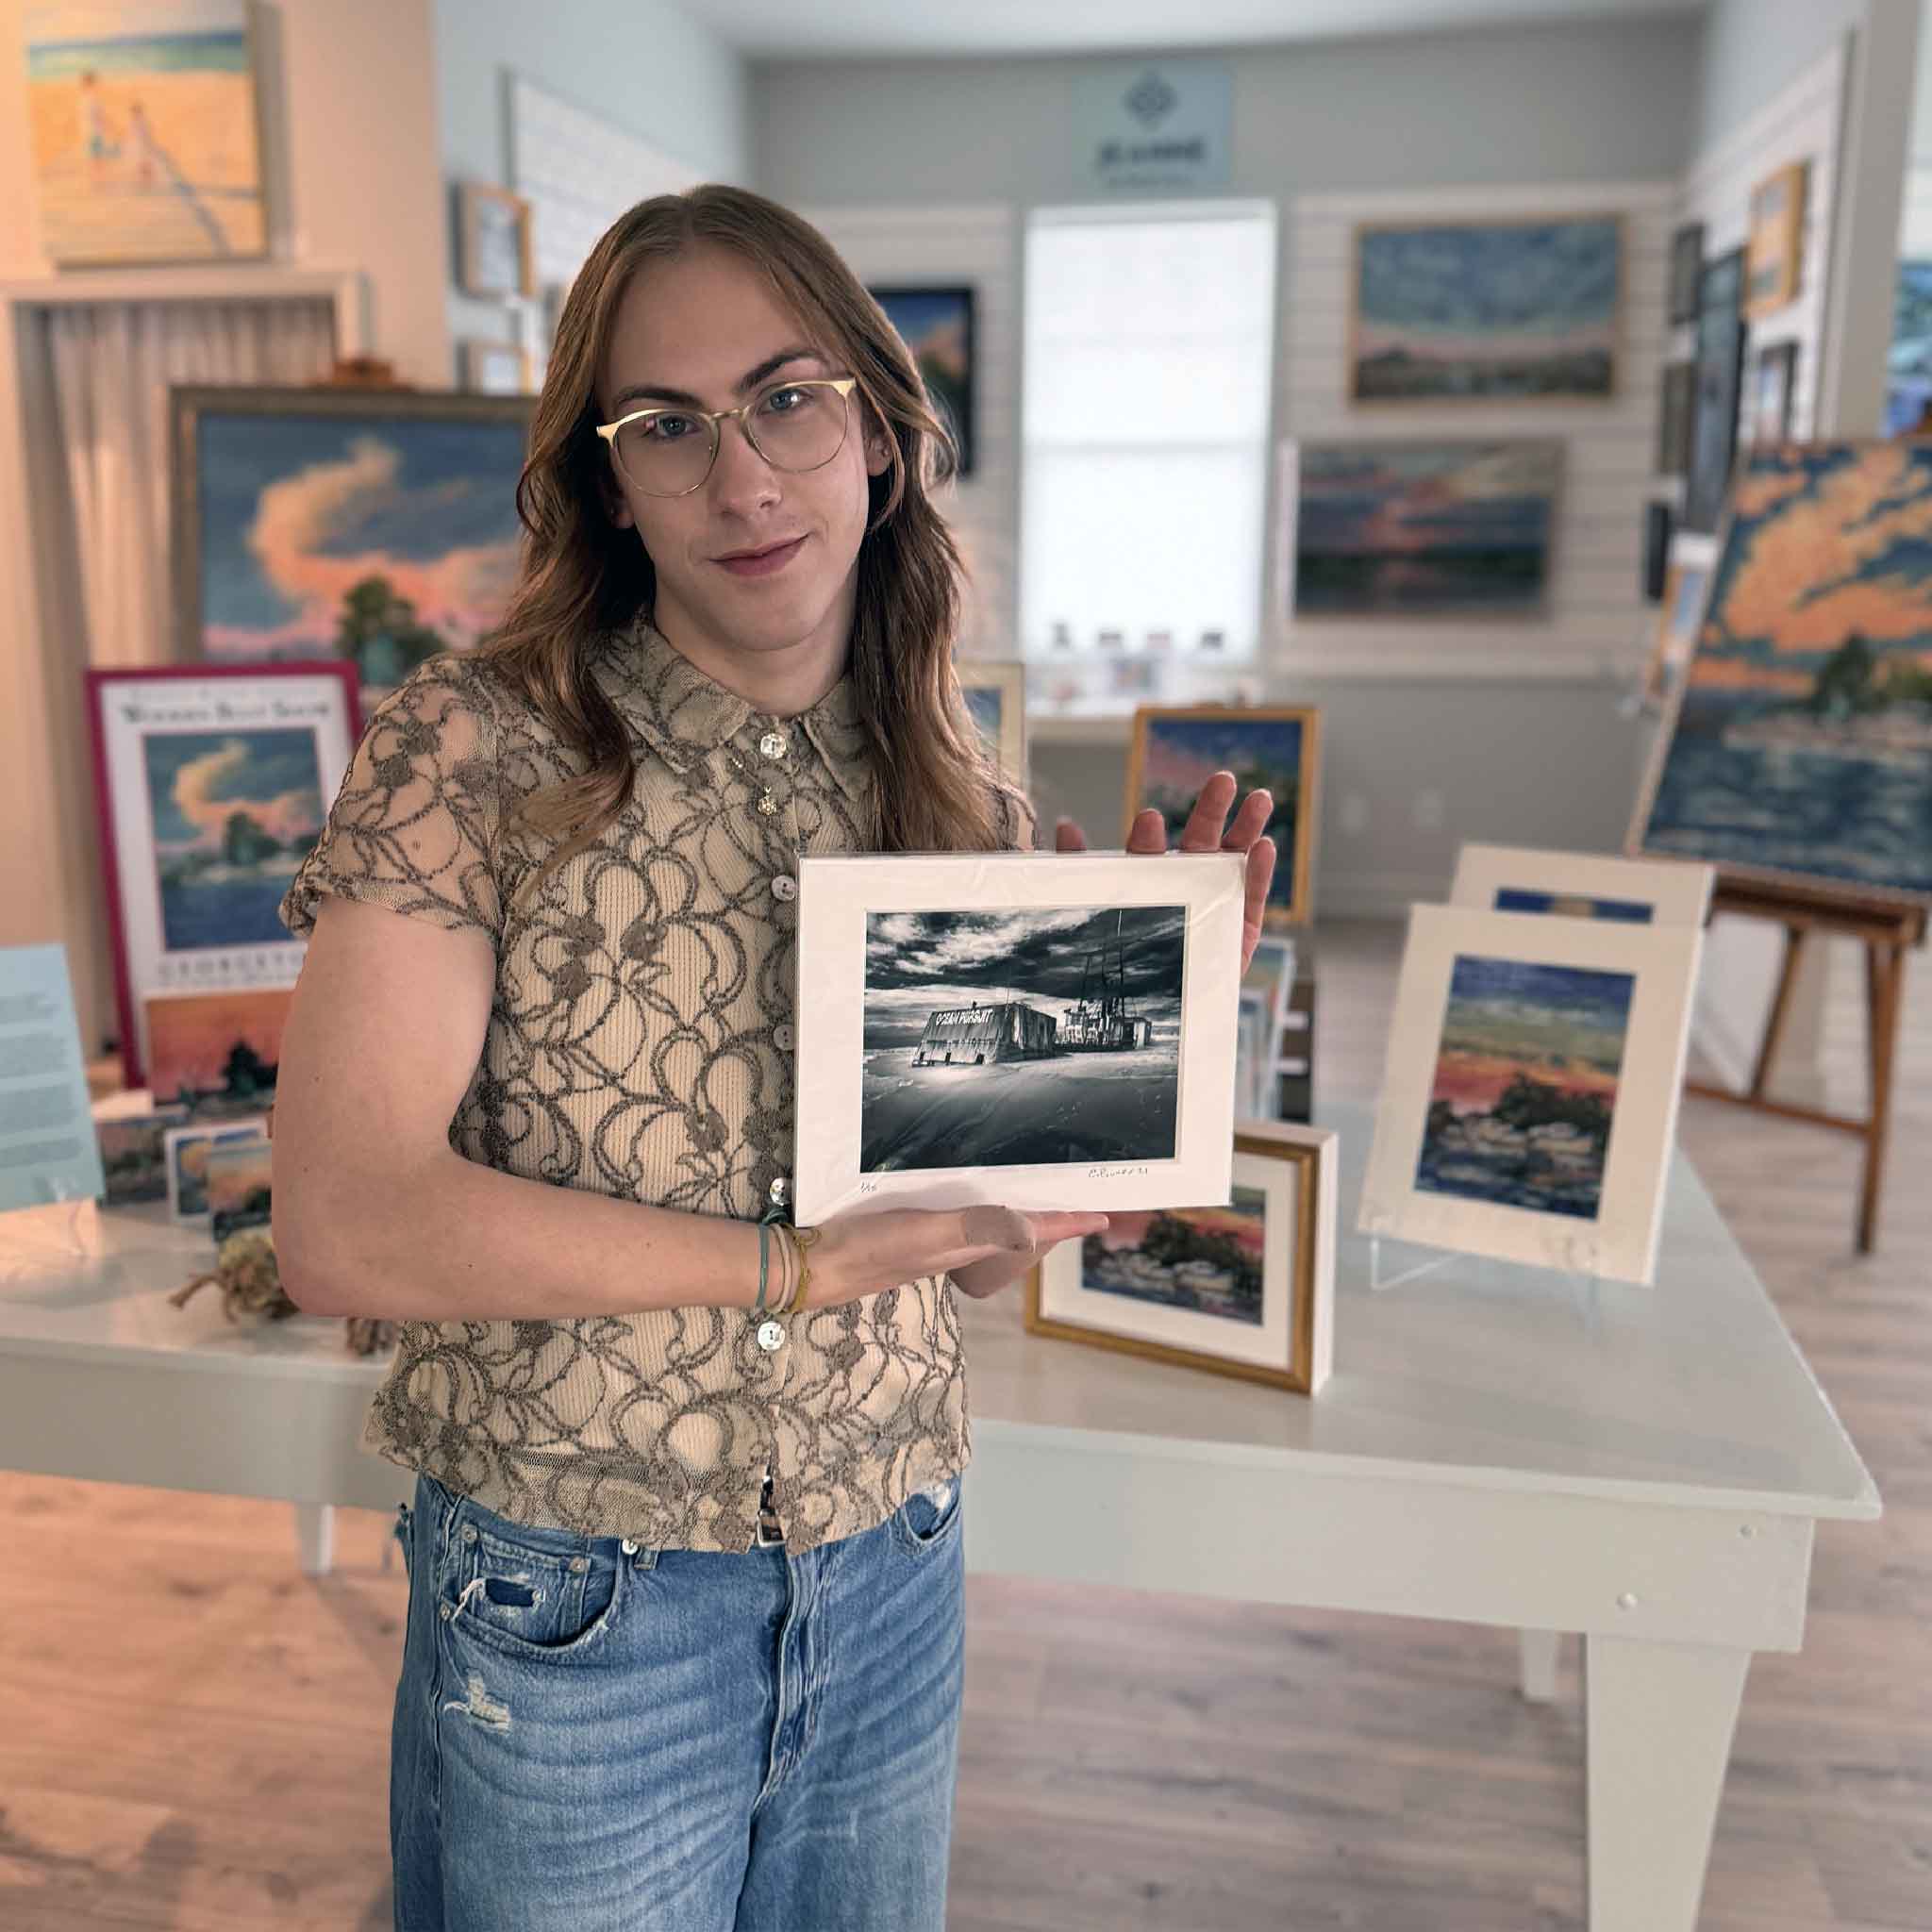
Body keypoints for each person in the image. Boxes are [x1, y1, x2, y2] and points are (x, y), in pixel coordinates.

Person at [270, 182, 1275, 1932]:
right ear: (608, 478)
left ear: (880, 437)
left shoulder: (962, 797)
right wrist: (801, 1268)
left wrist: (1126, 1083)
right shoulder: (476, 749)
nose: (742, 480)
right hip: (579, 1603)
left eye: (790, 400)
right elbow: (342, 1227)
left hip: (893, 1565)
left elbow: (961, 1269)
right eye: (669, 426)